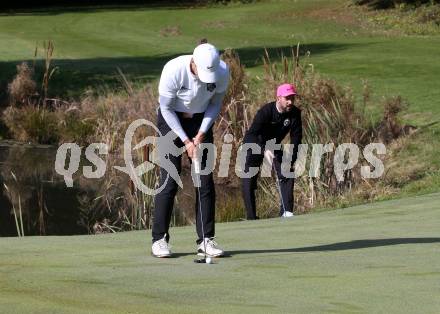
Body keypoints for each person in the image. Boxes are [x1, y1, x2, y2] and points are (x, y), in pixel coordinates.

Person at [151, 42, 229, 258]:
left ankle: (206, 239)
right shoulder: (173, 69)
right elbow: (165, 108)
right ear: (193, 63)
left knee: (204, 180)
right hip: (171, 120)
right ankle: (159, 240)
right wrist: (186, 140)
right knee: (169, 180)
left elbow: (215, 104)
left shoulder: (222, 71)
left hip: (200, 122)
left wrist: (202, 133)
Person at [241, 83, 302, 220]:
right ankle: (251, 217)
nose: (290, 101)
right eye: (287, 98)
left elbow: (296, 138)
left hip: (273, 145)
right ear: (278, 98)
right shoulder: (265, 112)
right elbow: (251, 135)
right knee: (248, 180)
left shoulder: (295, 113)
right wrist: (263, 149)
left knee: (287, 172)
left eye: (292, 98)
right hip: (254, 143)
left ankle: (286, 212)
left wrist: (291, 160)